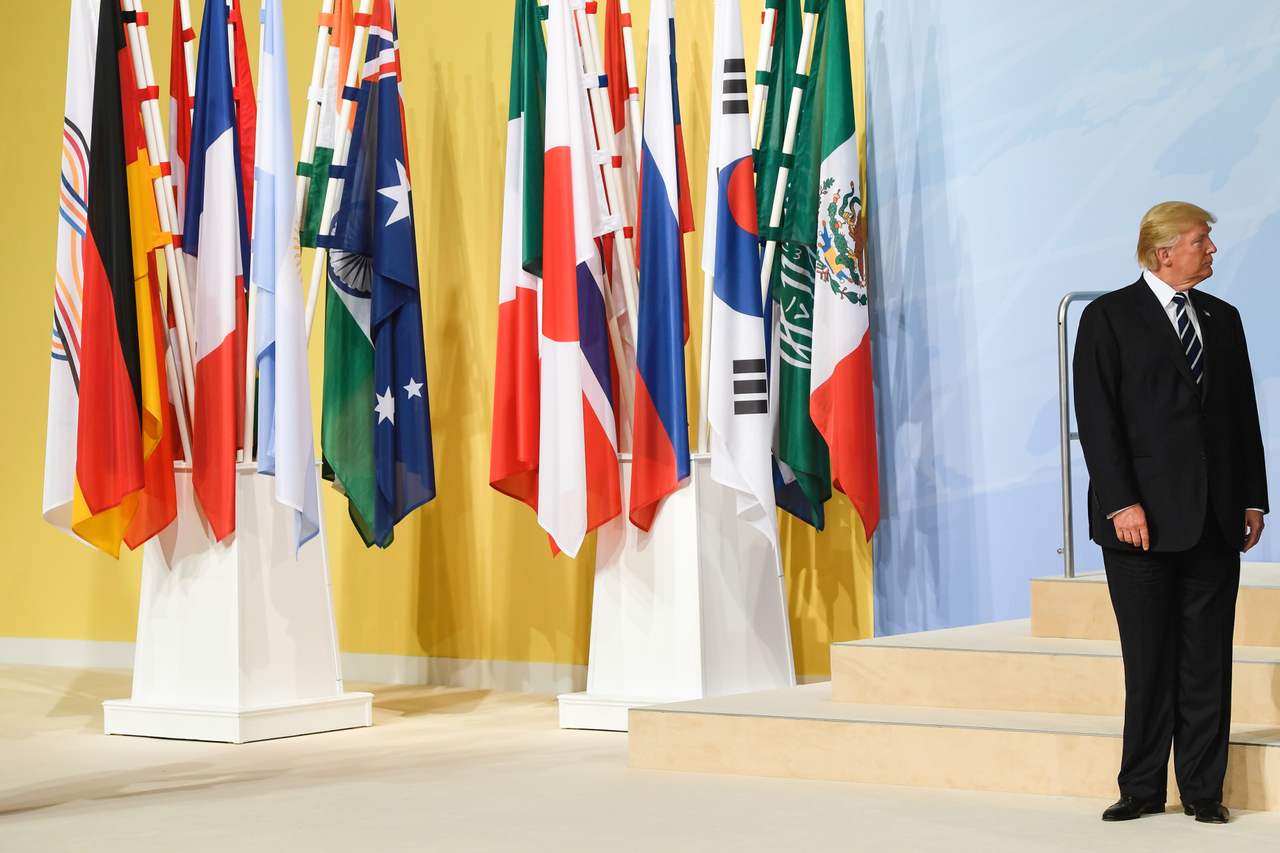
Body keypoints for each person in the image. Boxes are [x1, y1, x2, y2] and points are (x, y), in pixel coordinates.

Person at [1073, 201, 1268, 825]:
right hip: (1140, 523)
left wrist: (1253, 497)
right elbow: (1097, 421)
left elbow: (1243, 418)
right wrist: (1122, 502)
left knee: (1208, 656)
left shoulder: (1224, 318)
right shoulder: (1108, 317)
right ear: (1165, 252)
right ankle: (1141, 788)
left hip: (1214, 519)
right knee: (1149, 656)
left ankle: (1204, 790)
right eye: (1201, 242)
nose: (1211, 252)